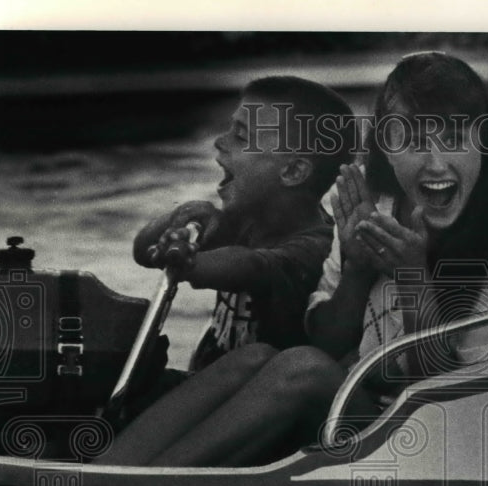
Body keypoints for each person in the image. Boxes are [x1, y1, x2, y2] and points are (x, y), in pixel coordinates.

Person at [104, 52, 488, 467]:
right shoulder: (373, 208)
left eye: (455, 137)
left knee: (305, 369)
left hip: (445, 446)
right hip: (362, 415)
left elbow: (449, 403)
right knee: (259, 356)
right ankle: (106, 472)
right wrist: (358, 271)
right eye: (413, 141)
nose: (436, 163)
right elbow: (327, 339)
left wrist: (412, 278)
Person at [103, 76, 355, 460]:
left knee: (253, 357)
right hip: (206, 389)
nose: (220, 142)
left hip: (255, 423)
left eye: (240, 135)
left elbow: (252, 266)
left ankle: (114, 479)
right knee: (99, 356)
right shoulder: (241, 218)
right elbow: (143, 251)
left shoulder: (313, 247)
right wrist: (180, 220)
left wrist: (190, 263)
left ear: (292, 172)